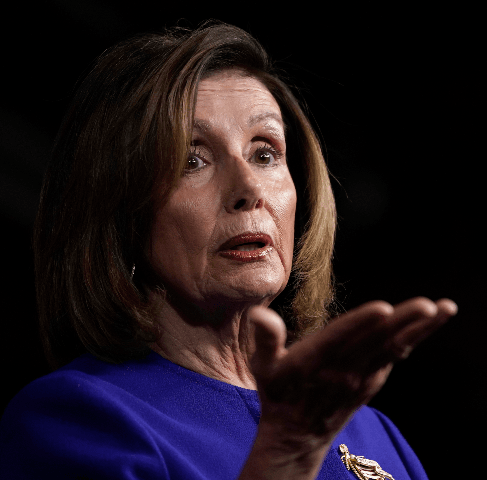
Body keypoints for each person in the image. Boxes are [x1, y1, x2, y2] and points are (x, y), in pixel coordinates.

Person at [0, 21, 457, 479]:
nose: (248, 188)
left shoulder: (370, 431)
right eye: (192, 160)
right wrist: (287, 456)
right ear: (118, 212)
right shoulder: (78, 419)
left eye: (264, 153)